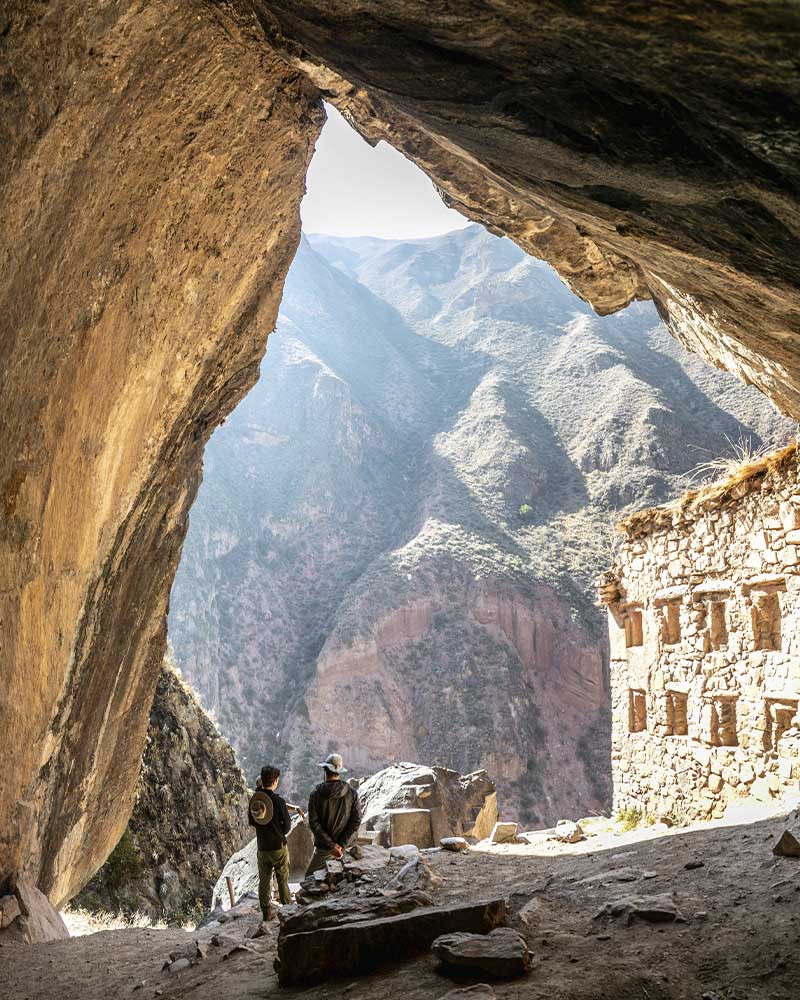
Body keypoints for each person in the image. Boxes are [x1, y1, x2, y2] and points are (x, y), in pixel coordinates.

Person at [306, 753, 361, 877]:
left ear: (325, 770)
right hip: (346, 848)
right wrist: (341, 845)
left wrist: (331, 846)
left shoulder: (315, 794)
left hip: (324, 849)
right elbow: (356, 821)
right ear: (339, 772)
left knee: (309, 878)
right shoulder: (352, 793)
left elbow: (314, 824)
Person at [249, 764, 292, 921]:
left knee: (264, 881)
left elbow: (252, 822)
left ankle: (266, 912)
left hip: (262, 847)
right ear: (274, 781)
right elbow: (287, 827)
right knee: (282, 879)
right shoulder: (278, 801)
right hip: (278, 847)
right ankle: (287, 910)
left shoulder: (255, 800)